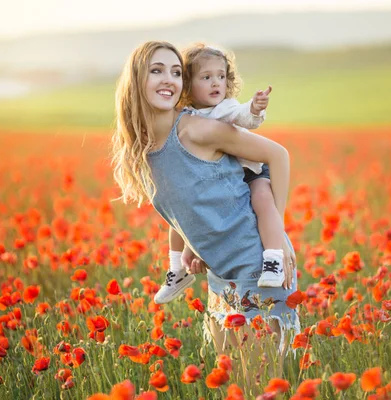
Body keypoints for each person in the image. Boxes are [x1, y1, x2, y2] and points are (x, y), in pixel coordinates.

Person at [110, 41, 300, 394]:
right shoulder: (146, 149)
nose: (169, 79)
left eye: (176, 72)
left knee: (256, 387)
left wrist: (278, 235)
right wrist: (194, 249)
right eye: (157, 70)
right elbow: (190, 206)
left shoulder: (196, 129)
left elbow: (278, 155)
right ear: (136, 80)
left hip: (259, 269)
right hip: (219, 278)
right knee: (235, 386)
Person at [153, 43, 289, 304]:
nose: (216, 83)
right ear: (188, 84)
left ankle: (273, 257)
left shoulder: (224, 108)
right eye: (206, 78)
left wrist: (255, 107)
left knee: (263, 200)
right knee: (178, 214)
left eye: (221, 76)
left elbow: (245, 117)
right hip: (226, 178)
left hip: (250, 170)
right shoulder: (186, 115)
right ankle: (176, 270)